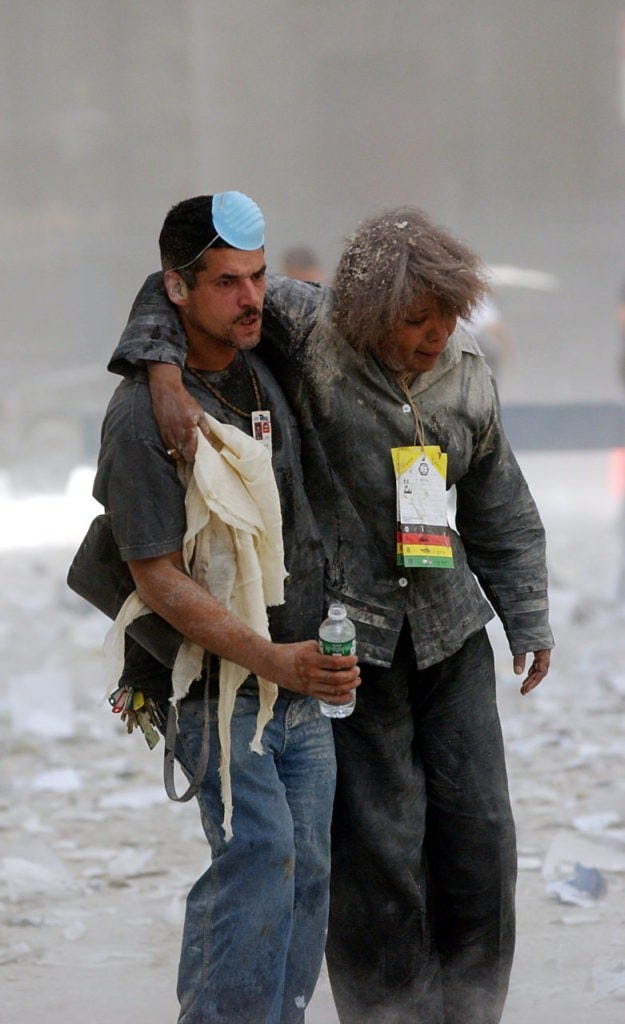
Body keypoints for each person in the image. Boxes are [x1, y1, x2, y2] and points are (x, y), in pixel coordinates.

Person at [108, 205, 553, 1024]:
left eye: (445, 319)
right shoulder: (309, 330)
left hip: (451, 632)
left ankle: (472, 1013)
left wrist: (527, 617)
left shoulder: (465, 370)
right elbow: (181, 290)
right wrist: (163, 376)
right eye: (415, 321)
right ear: (371, 311)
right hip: (351, 641)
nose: (433, 338)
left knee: (482, 843)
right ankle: (386, 1015)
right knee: (376, 854)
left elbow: (500, 503)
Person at [91, 191, 360, 1024]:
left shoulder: (265, 355)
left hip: (301, 673)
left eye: (258, 276)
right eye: (227, 284)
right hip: (216, 686)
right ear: (177, 289)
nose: (251, 298)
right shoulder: (141, 417)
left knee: (307, 869)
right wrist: (268, 657)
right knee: (257, 855)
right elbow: (159, 578)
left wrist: (303, 656)